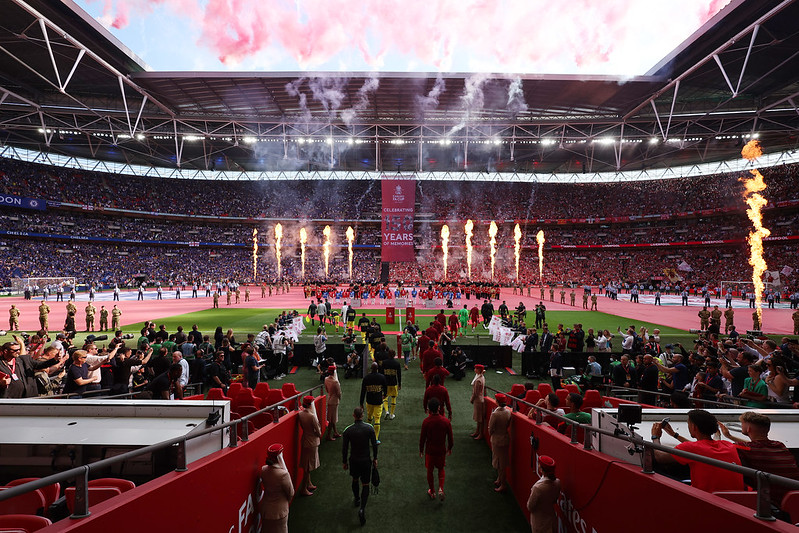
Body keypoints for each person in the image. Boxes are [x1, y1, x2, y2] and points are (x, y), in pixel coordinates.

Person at [651, 409, 745, 493]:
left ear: (694, 427)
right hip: (735, 498)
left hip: (706, 499)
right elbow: (700, 446)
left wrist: (655, 437)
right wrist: (674, 434)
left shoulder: (692, 448)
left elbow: (659, 457)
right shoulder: (728, 445)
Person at [719, 411, 799, 506]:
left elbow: (719, 447)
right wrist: (730, 436)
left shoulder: (745, 448)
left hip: (772, 501)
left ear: (748, 428)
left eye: (742, 423)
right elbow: (755, 445)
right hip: (793, 496)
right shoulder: (779, 445)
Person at [342, 407, 379, 526]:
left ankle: (357, 498)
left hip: (354, 460)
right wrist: (375, 458)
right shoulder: (369, 428)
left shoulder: (348, 430)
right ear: (362, 415)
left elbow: (345, 448)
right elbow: (374, 444)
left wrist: (344, 461)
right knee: (366, 484)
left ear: (354, 415)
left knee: (355, 479)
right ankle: (362, 508)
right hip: (365, 460)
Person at [419, 397, 453, 501]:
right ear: (439, 408)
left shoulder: (426, 422)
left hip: (430, 451)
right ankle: (441, 488)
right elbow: (450, 438)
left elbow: (422, 438)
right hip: (441, 450)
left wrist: (421, 450)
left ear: (429, 409)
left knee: (430, 471)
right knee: (441, 469)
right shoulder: (446, 421)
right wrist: (449, 448)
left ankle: (432, 491)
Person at [259, 444, 294, 533]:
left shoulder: (263, 470)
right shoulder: (283, 474)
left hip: (266, 510)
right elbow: (291, 493)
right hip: (279, 512)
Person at [527, 456, 560, 533]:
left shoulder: (537, 488)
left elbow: (530, 506)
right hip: (552, 520)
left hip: (539, 524)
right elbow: (554, 500)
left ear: (541, 469)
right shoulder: (558, 483)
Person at [297, 395, 322, 496]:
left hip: (305, 439)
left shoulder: (300, 414)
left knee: (307, 465)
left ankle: (309, 483)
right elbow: (318, 432)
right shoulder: (311, 416)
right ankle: (304, 489)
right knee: (308, 467)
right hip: (312, 442)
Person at [489, 393, 513, 492]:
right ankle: (500, 479)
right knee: (501, 462)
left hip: (497, 439)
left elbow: (490, 429)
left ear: (497, 401)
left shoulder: (495, 414)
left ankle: (503, 484)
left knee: (500, 463)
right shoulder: (508, 412)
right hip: (505, 438)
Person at [360, 362, 387, 443]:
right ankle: (375, 438)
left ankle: (367, 435)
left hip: (369, 401)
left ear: (371, 369)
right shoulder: (381, 377)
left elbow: (363, 391)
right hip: (378, 401)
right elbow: (385, 388)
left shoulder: (366, 378)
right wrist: (384, 395)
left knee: (369, 418)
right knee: (377, 418)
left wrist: (361, 403)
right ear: (377, 368)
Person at [381, 349, 402, 420]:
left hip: (386, 383)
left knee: (385, 397)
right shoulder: (397, 363)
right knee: (393, 397)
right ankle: (391, 414)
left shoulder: (384, 362)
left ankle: (386, 411)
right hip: (394, 383)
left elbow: (381, 373)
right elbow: (399, 375)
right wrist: (399, 384)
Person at [324, 366, 342, 441]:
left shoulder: (326, 379)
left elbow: (327, 390)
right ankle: (328, 435)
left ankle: (335, 432)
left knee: (332, 418)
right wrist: (339, 398)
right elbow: (339, 393)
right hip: (334, 401)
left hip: (330, 399)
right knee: (332, 419)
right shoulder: (335, 382)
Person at [470, 364, 486, 439]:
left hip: (478, 399)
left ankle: (480, 433)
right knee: (479, 418)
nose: (474, 370)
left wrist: (472, 399)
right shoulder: (481, 377)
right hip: (480, 398)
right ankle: (477, 432)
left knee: (479, 418)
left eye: (476, 369)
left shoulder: (478, 380)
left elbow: (475, 393)